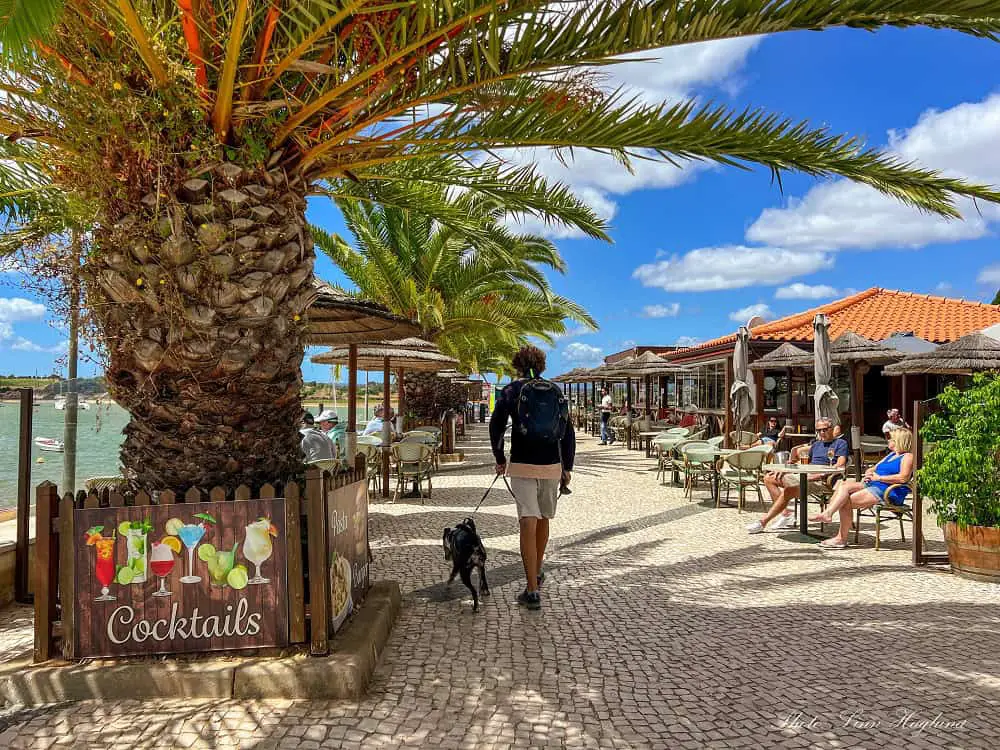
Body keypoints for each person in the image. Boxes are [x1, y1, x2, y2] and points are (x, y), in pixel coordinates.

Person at [490, 345, 575, 611]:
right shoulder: (555, 391)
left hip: (523, 464)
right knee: (543, 519)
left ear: (517, 365)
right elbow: (568, 431)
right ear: (541, 366)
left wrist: (500, 458)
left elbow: (496, 425)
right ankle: (536, 573)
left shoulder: (511, 391)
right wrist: (567, 466)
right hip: (551, 465)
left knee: (528, 520)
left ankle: (532, 590)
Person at [811, 428, 914, 549]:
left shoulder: (908, 457)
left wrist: (880, 478)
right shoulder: (891, 455)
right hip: (874, 484)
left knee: (845, 501)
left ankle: (840, 538)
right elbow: (874, 468)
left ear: (899, 441)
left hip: (888, 491)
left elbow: (903, 478)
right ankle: (828, 514)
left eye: (891, 438)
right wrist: (869, 473)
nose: (888, 440)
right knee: (844, 485)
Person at [747, 417, 849, 534]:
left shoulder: (840, 443)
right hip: (805, 476)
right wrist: (788, 469)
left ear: (831, 429)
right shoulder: (816, 444)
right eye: (819, 430)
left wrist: (820, 474)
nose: (821, 432)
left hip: (822, 481)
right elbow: (806, 463)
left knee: (789, 490)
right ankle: (786, 514)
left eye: (824, 429)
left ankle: (763, 522)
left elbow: (840, 465)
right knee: (769, 478)